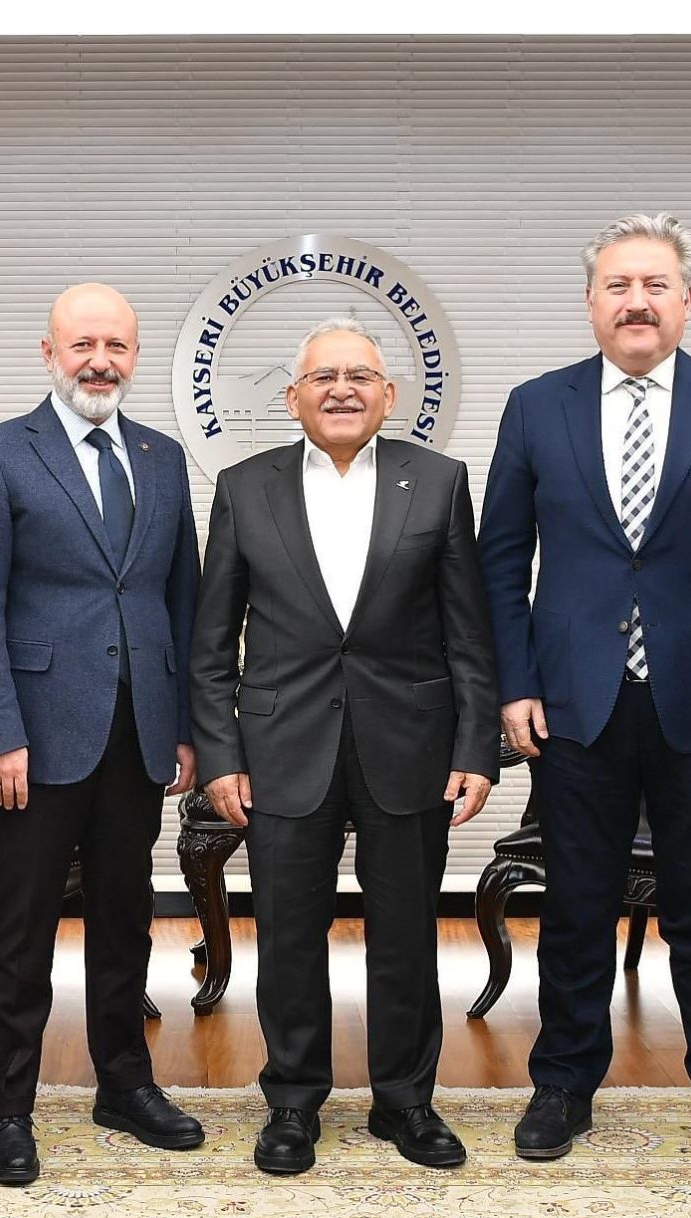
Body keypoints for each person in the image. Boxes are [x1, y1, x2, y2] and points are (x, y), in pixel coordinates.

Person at [477, 213, 691, 1181]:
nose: (637, 301)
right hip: (575, 702)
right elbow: (502, 560)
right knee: (575, 906)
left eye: (655, 285)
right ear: (591, 303)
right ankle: (562, 1086)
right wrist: (515, 684)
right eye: (618, 285)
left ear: (686, 301)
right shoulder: (535, 406)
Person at [190, 317, 498, 1175]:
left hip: (411, 743)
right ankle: (292, 1103)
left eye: (359, 375)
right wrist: (221, 756)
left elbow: (469, 633)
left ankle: (406, 1102)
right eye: (323, 376)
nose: (341, 389)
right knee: (289, 933)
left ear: (389, 395)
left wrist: (476, 745)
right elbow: (211, 643)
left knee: (406, 932)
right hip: (282, 746)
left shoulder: (437, 481)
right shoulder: (244, 487)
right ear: (293, 397)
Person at [0, 282, 204, 1186]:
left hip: (140, 730)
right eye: (83, 344)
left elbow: (182, 599)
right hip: (37, 736)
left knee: (127, 916)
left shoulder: (163, 458)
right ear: (49, 353)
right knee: (23, 928)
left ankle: (123, 1083)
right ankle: (7, 1110)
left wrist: (183, 727)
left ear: (135, 355)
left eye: (116, 346)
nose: (100, 361)